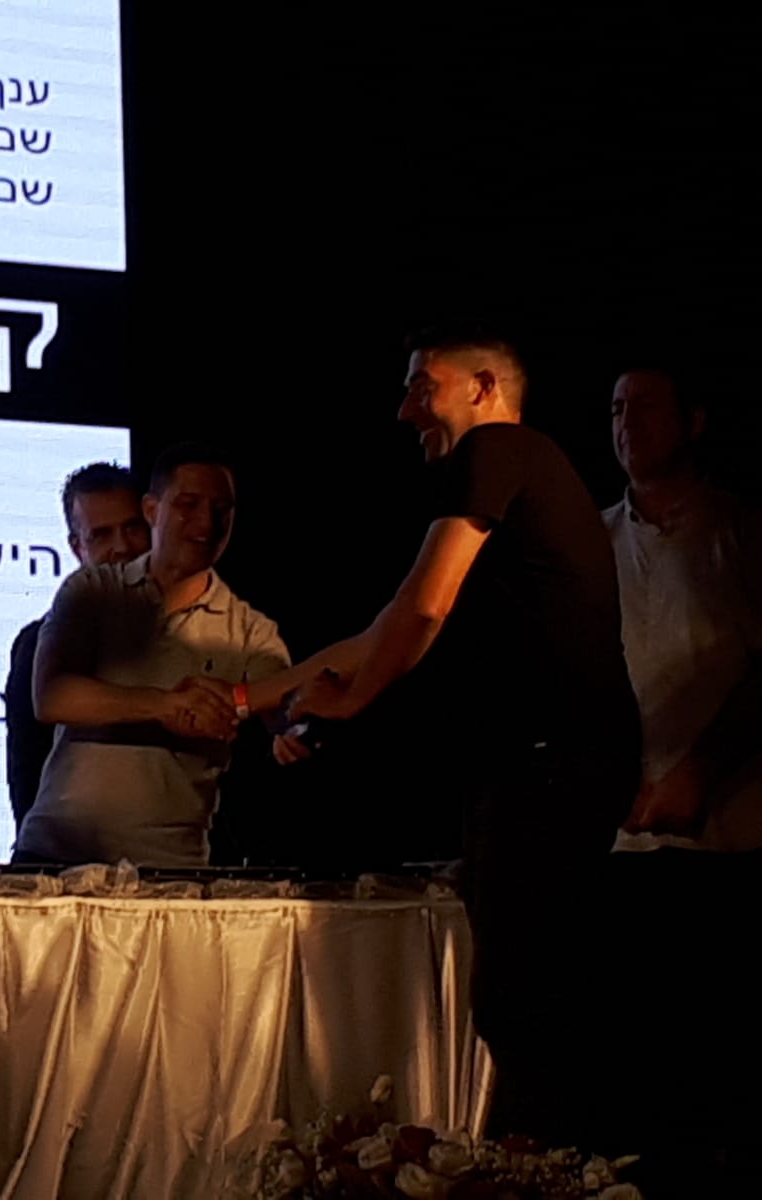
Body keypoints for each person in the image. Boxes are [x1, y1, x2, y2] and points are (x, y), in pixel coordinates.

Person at [261, 326, 641, 1152]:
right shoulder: (523, 474)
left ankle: (550, 1172)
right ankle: (549, 1168)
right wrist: (252, 698)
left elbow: (421, 607)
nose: (405, 411)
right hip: (549, 762)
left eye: (420, 387)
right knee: (525, 994)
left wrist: (346, 703)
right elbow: (388, 627)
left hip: (554, 762)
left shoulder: (497, 448)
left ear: (482, 386)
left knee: (521, 999)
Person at [17, 443, 290, 866]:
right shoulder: (88, 594)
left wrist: (293, 726)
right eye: (189, 505)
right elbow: (50, 700)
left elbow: (283, 702)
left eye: (220, 509)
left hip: (168, 869)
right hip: (55, 856)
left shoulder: (249, 631)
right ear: (155, 509)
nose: (205, 522)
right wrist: (166, 705)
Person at [603, 367, 762, 852]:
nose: (628, 422)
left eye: (646, 406)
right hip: (623, 835)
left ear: (693, 422)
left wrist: (699, 771)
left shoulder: (740, 533)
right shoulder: (591, 539)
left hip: (734, 829)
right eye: (618, 409)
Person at [4, 462, 149, 828]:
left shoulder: (199, 628)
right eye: (101, 535)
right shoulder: (39, 645)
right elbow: (28, 779)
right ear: (76, 547)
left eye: (133, 528)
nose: (122, 547)